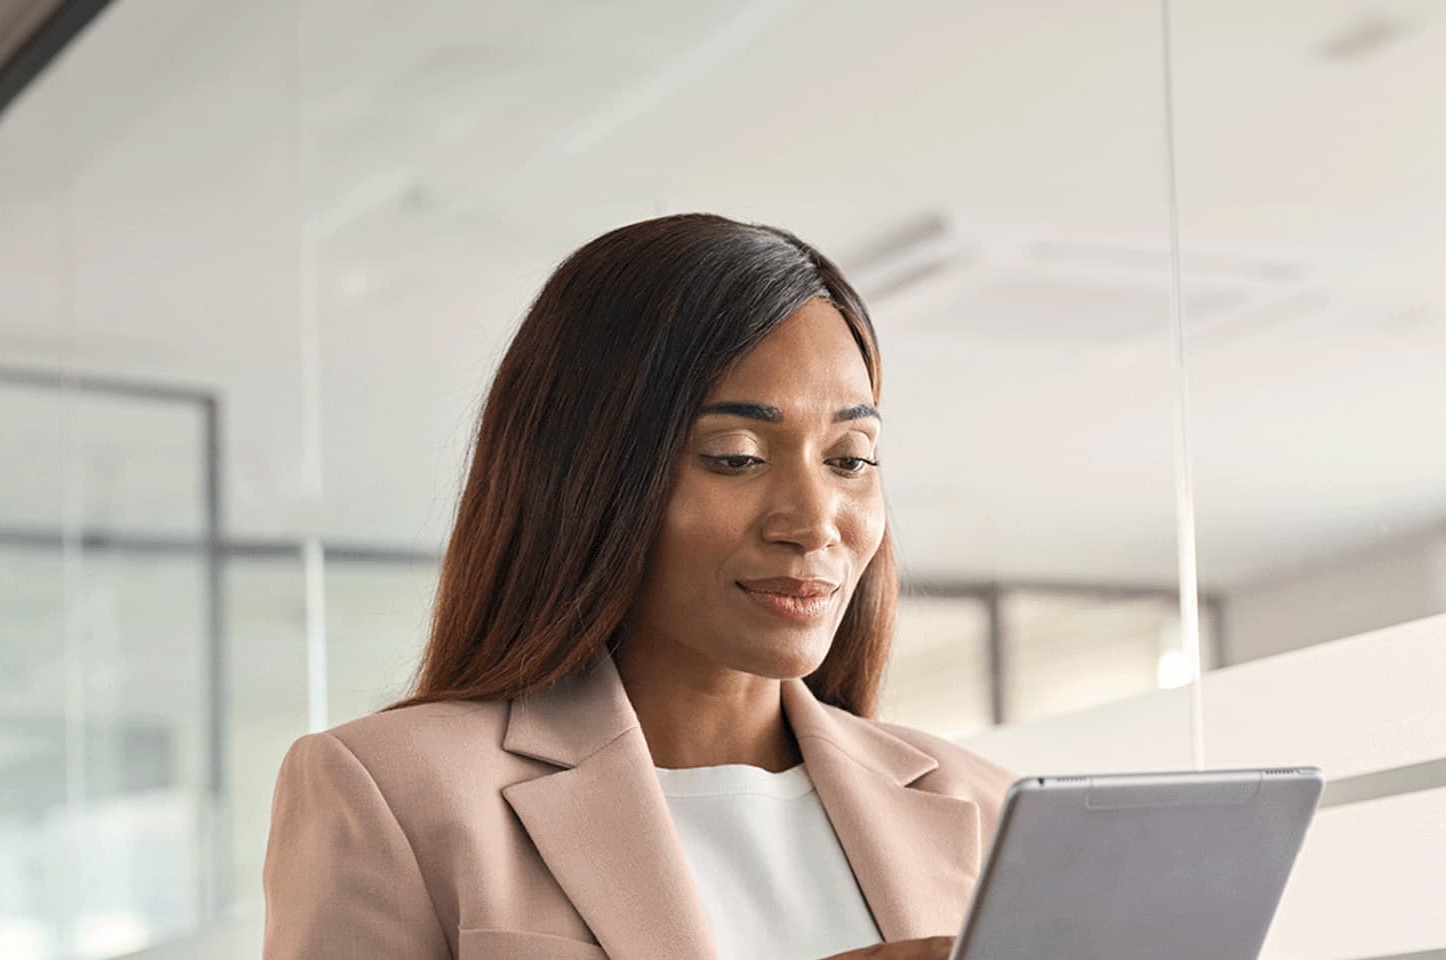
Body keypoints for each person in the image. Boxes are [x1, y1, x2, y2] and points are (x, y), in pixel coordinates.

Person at [262, 213, 1015, 960]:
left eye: (850, 460)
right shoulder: (394, 792)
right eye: (736, 454)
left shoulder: (988, 811)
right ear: (589, 476)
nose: (815, 523)